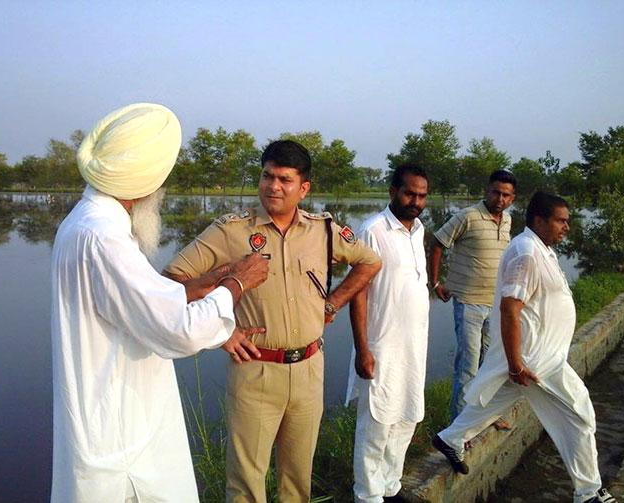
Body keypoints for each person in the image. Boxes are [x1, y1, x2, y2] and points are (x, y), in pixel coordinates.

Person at [50, 103, 269, 503]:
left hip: (113, 425)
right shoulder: (104, 238)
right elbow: (178, 333)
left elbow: (135, 301)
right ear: (146, 184)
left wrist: (205, 283)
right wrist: (239, 282)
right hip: (122, 439)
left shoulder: (84, 222)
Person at [164, 139, 382, 502]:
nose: (273, 186)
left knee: (298, 480)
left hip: (310, 368)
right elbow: (171, 281)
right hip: (256, 371)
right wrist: (221, 332)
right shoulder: (231, 231)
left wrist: (332, 304)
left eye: (284, 179)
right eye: (267, 176)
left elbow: (370, 262)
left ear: (304, 188)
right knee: (246, 483)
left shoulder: (324, 230)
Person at [432, 192, 617, 503]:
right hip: (536, 359)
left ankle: (450, 438)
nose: (566, 227)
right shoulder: (526, 252)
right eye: (560, 220)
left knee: (499, 398)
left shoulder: (540, 248)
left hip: (542, 354)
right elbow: (509, 308)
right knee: (581, 414)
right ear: (539, 220)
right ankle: (587, 493)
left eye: (567, 221)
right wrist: (516, 363)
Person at [345, 164, 430, 503]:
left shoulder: (419, 229)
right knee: (377, 423)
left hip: (413, 346)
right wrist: (362, 348)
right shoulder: (372, 230)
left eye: (422, 196)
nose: (416, 201)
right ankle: (367, 494)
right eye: (410, 193)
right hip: (381, 345)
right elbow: (358, 292)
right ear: (393, 191)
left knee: (406, 417)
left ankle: (391, 486)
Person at [429, 170, 517, 426]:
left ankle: (485, 416)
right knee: (468, 364)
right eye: (496, 192)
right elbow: (437, 243)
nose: (500, 199)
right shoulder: (467, 216)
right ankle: (459, 425)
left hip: (496, 303)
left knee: (490, 364)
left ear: (513, 198)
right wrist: (435, 282)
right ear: (487, 191)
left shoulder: (508, 221)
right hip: (468, 302)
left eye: (506, 195)